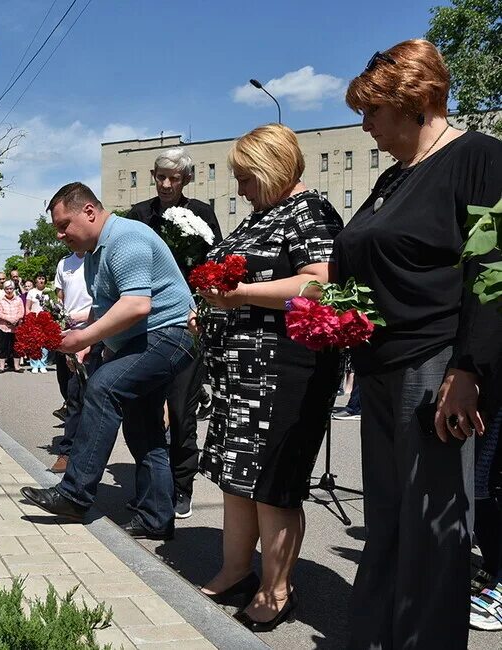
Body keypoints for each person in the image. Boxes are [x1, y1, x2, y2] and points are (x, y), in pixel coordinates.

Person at [336, 39, 502, 648]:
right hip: (379, 368)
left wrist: (469, 369)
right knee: (388, 521)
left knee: (433, 527)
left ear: (412, 103)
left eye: (372, 112)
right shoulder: (391, 178)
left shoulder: (479, 158)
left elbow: (495, 272)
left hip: (436, 367)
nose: (366, 126)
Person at [196, 124, 342, 632]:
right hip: (243, 372)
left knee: (273, 484)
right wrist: (212, 307)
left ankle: (277, 589)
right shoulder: (261, 216)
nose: (238, 188)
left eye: (244, 177)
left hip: (286, 371)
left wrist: (235, 296)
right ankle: (236, 570)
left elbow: (318, 283)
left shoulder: (310, 212)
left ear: (271, 168)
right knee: (238, 478)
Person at [19, 182, 195, 541]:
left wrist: (84, 338)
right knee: (143, 429)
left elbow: (136, 305)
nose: (59, 234)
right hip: (145, 340)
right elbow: (105, 309)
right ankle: (156, 518)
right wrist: (86, 344)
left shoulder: (125, 238)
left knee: (102, 388)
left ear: (89, 211)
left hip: (169, 335)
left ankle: (74, 494)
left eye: (64, 224)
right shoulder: (95, 254)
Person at [129, 147, 224, 519]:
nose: (166, 184)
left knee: (182, 410)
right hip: (147, 324)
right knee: (144, 410)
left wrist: (200, 308)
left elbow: (214, 263)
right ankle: (153, 487)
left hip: (188, 324)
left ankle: (182, 485)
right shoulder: (139, 215)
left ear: (186, 179)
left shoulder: (201, 214)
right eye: (160, 176)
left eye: (174, 177)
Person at [49, 251, 93, 471]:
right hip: (67, 332)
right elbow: (61, 298)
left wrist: (83, 323)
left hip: (92, 331)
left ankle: (68, 453)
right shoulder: (64, 262)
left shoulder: (98, 258)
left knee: (78, 395)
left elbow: (105, 301)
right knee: (67, 389)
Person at [0, 280, 24, 373]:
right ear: (4, 290)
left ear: (13, 289)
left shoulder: (19, 299)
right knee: (3, 347)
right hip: (4, 327)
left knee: (16, 347)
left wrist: (15, 319)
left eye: (11, 288)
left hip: (16, 327)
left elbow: (21, 311)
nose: (9, 290)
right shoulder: (1, 300)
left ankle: (17, 366)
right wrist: (9, 319)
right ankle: (2, 367)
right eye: (7, 289)